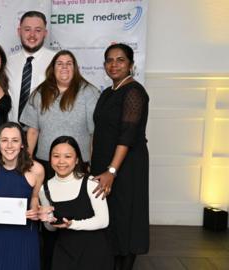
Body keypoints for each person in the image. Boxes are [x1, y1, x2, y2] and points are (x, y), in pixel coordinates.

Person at [91, 43, 150, 270]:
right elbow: (100, 132)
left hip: (126, 167)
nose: (114, 64)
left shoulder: (134, 92)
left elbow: (127, 136)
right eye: (109, 60)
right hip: (105, 165)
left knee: (125, 217)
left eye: (120, 60)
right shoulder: (108, 92)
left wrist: (112, 171)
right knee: (110, 216)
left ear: (131, 65)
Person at [0, 122, 44, 270]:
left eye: (15, 140)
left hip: (25, 236)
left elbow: (34, 197)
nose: (9, 145)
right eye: (4, 140)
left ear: (22, 144)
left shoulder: (37, 170)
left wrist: (34, 211)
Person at [20, 50, 99, 179]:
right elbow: (33, 130)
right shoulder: (40, 93)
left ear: (75, 68)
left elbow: (95, 133)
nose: (64, 67)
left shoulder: (89, 93)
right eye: (60, 63)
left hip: (79, 163)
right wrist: (27, 160)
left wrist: (93, 163)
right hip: (45, 163)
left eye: (69, 63)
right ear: (53, 68)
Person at [38, 136, 113, 270]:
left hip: (94, 252)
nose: (61, 161)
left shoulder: (91, 183)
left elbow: (103, 220)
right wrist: (47, 219)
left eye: (68, 156)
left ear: (77, 159)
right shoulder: (44, 189)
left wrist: (73, 224)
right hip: (64, 252)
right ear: (50, 159)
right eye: (56, 156)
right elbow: (51, 228)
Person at [6, 10, 56, 123]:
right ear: (19, 31)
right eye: (27, 29)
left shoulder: (57, 61)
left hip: (44, 134)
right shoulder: (7, 63)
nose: (32, 35)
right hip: (14, 134)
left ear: (45, 33)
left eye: (38, 30)